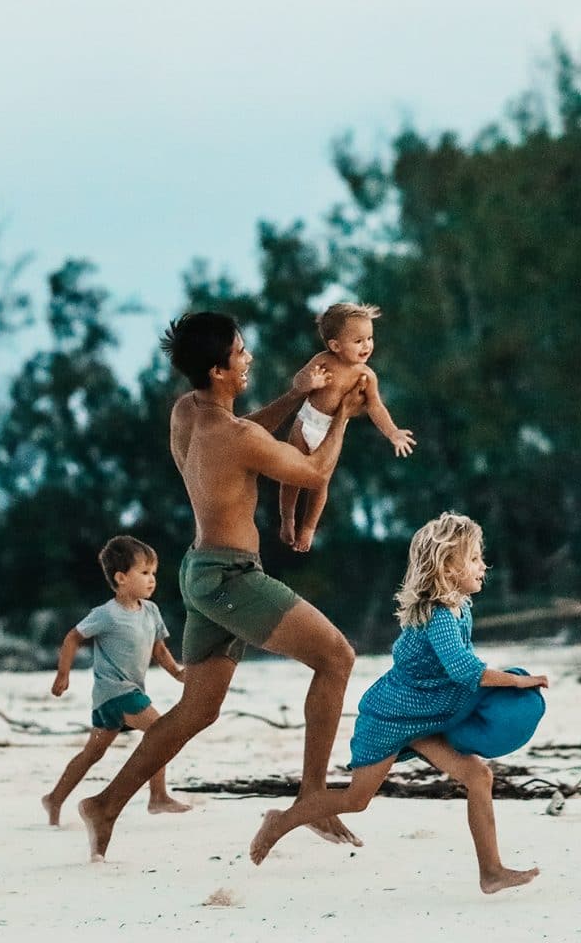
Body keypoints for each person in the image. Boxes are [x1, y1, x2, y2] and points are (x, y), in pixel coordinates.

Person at [78, 312, 369, 860]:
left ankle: (105, 804)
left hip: (200, 571)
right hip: (232, 576)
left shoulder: (189, 411)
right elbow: (313, 474)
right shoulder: (233, 436)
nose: (248, 357)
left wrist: (294, 395)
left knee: (197, 710)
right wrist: (345, 415)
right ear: (218, 369)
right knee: (336, 658)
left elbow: (248, 434)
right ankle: (312, 797)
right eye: (240, 352)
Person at [250, 512, 549, 895]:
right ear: (447, 567)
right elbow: (463, 668)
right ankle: (281, 821)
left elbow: (456, 671)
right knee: (356, 800)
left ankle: (491, 872)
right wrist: (517, 680)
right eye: (473, 558)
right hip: (392, 718)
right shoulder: (439, 615)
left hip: (428, 717)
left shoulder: (460, 607)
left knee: (479, 776)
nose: (482, 566)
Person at [42, 535, 189, 826]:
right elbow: (73, 637)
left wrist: (178, 673)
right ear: (121, 578)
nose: (151, 580)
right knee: (161, 730)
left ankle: (54, 798)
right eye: (144, 573)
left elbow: (159, 649)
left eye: (153, 574)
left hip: (117, 698)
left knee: (92, 753)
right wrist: (63, 674)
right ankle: (158, 796)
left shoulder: (151, 611)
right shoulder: (106, 615)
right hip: (116, 693)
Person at [279, 302, 416, 552]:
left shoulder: (366, 376)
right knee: (291, 475)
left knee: (320, 484)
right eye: (359, 341)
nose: (367, 346)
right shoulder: (323, 360)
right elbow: (297, 381)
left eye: (370, 338)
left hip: (330, 433)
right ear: (335, 346)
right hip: (306, 421)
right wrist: (310, 381)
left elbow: (376, 407)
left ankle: (308, 528)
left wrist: (393, 433)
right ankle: (287, 518)